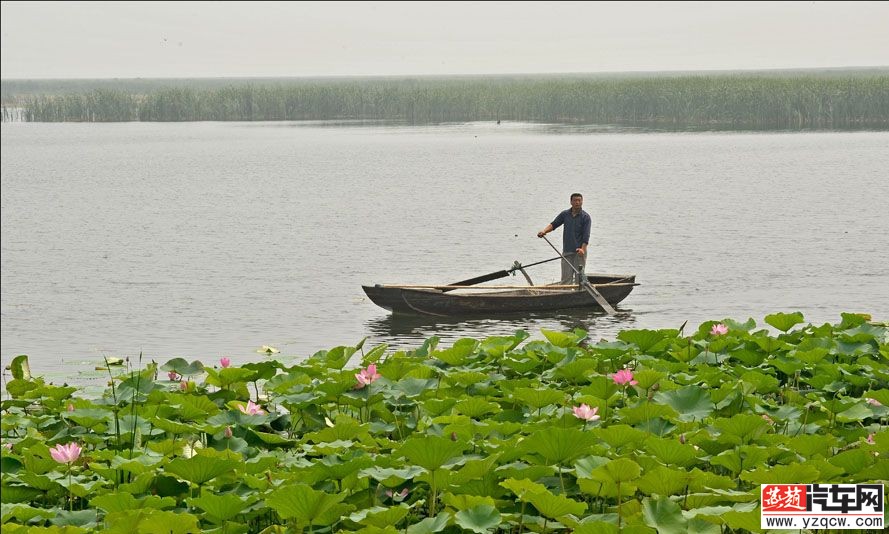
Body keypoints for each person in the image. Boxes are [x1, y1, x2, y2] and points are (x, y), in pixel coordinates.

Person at [537, 193, 591, 284]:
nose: (577, 202)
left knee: (579, 279)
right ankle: (567, 295)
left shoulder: (585, 217)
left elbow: (586, 236)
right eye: (575, 200)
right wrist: (544, 231)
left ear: (582, 202)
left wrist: (583, 249)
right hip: (567, 251)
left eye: (579, 200)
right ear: (571, 202)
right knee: (566, 279)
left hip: (579, 252)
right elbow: (554, 224)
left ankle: (579, 295)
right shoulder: (565, 214)